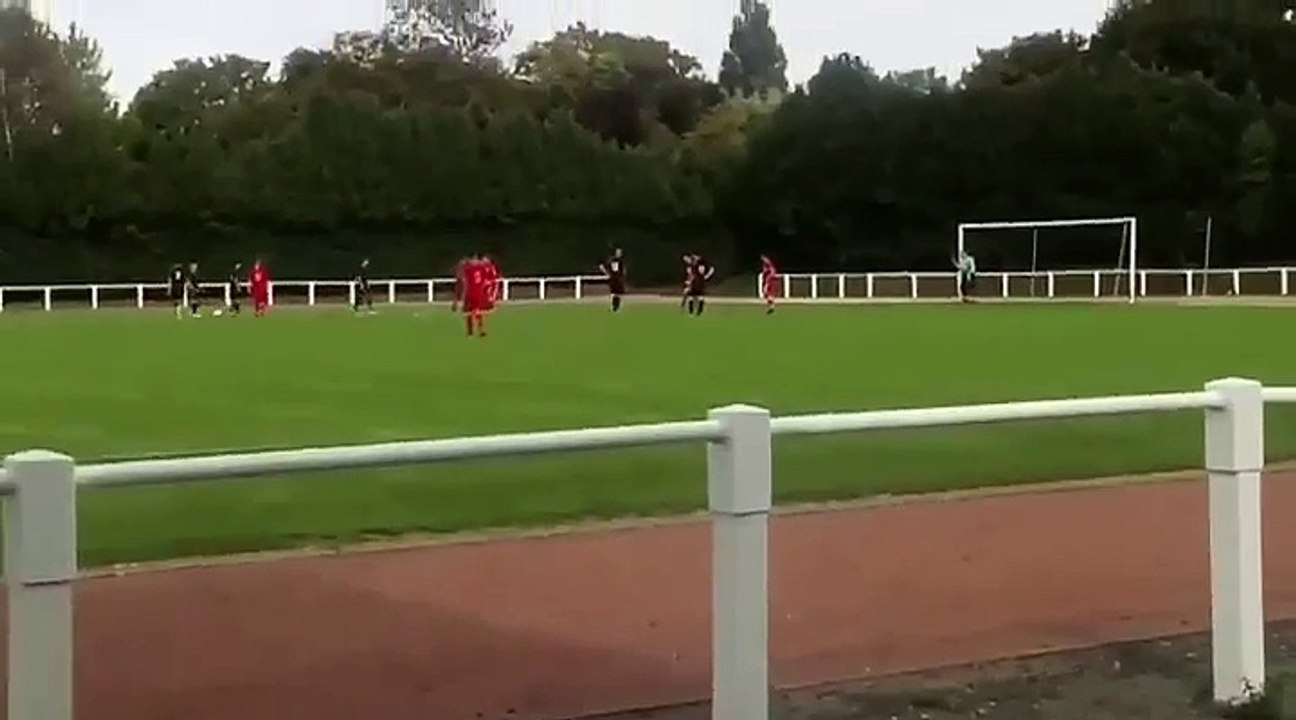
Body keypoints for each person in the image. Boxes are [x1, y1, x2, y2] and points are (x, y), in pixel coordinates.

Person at [462, 255, 489, 338]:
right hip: (478, 292)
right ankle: (479, 331)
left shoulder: (468, 269)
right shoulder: (482, 268)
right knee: (477, 312)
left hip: (471, 292)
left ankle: (472, 332)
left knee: (470, 312)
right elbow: (485, 280)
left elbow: (464, 280)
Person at [600, 248, 627, 312]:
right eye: (618, 252)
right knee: (616, 293)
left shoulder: (611, 260)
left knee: (615, 293)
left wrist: (606, 272)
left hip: (614, 278)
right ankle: (615, 307)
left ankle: (614, 307)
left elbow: (603, 266)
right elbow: (622, 270)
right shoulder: (619, 261)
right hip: (616, 278)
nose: (619, 254)